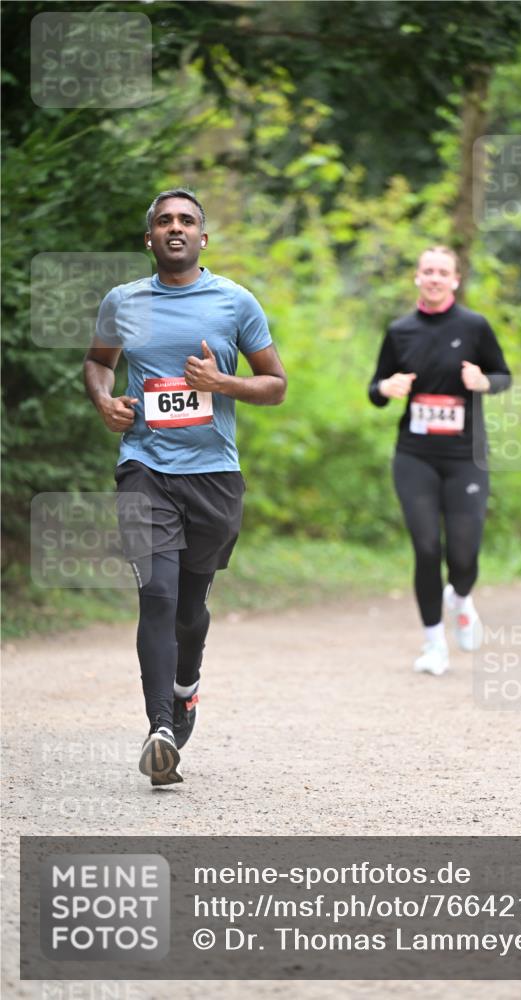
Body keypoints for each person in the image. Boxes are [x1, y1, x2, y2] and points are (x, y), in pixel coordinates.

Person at [84, 189, 287, 784]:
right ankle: (160, 729)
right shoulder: (123, 302)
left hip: (214, 477)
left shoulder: (234, 302)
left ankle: (186, 687)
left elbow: (274, 384)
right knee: (159, 595)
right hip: (144, 468)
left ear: (204, 238)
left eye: (187, 221)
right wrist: (104, 400)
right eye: (164, 221)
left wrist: (222, 383)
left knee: (192, 606)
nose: (176, 228)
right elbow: (99, 361)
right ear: (149, 238)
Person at [368, 245, 511, 676]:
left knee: (464, 554)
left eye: (442, 271)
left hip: (466, 457)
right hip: (415, 456)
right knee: (427, 547)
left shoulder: (474, 326)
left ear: (455, 280)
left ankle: (461, 599)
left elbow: (504, 375)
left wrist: (482, 380)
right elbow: (375, 389)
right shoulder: (400, 330)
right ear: (417, 277)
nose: (433, 277)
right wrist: (386, 388)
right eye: (427, 270)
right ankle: (434, 645)